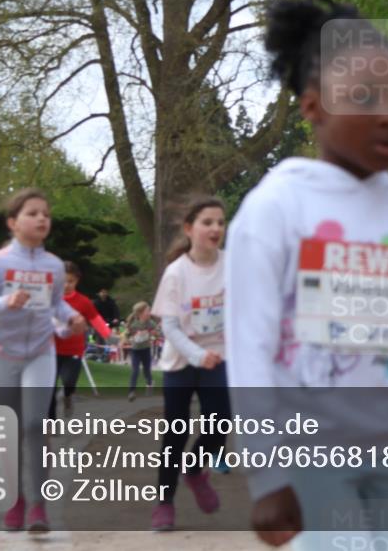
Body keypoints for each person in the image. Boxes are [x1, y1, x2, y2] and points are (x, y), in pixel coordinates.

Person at [225, 0, 388, 550]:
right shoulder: (276, 210)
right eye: (363, 97)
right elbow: (249, 349)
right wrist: (268, 476)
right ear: (313, 108)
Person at [0, 188, 87, 533]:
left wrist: (71, 319)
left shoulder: (53, 266)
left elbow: (57, 308)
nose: (41, 219)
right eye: (33, 213)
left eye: (46, 214)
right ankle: (14, 499)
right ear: (13, 223)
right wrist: (6, 303)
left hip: (41, 353)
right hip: (4, 353)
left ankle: (38, 505)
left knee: (35, 425)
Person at [149, 196, 230, 531]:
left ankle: (195, 471)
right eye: (207, 222)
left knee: (221, 423)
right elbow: (168, 327)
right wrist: (197, 355)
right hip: (182, 360)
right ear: (189, 229)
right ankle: (164, 503)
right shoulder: (176, 272)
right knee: (175, 433)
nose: (215, 229)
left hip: (220, 357)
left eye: (221, 223)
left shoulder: (232, 264)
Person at [49, 261, 110, 417]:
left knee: (69, 382)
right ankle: (51, 422)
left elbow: (96, 319)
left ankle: (68, 397)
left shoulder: (83, 302)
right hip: (50, 349)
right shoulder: (48, 298)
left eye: (70, 281)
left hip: (73, 350)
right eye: (62, 281)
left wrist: (110, 336)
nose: (66, 285)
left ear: (77, 280)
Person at [124, 301, 157, 401]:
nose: (149, 313)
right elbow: (126, 335)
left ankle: (150, 383)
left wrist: (152, 333)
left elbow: (157, 331)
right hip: (135, 350)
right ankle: (131, 392)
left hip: (146, 349)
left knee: (146, 371)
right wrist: (131, 338)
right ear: (140, 313)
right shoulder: (133, 324)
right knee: (135, 370)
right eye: (148, 310)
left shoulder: (150, 323)